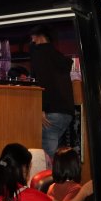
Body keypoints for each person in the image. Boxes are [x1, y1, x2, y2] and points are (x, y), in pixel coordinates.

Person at [29, 24, 75, 159]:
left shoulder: (40, 53)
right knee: (54, 153)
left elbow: (43, 80)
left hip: (51, 111)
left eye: (33, 37)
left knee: (46, 158)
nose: (32, 41)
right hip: (66, 112)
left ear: (39, 36)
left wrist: (41, 107)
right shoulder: (58, 56)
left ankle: (51, 179)